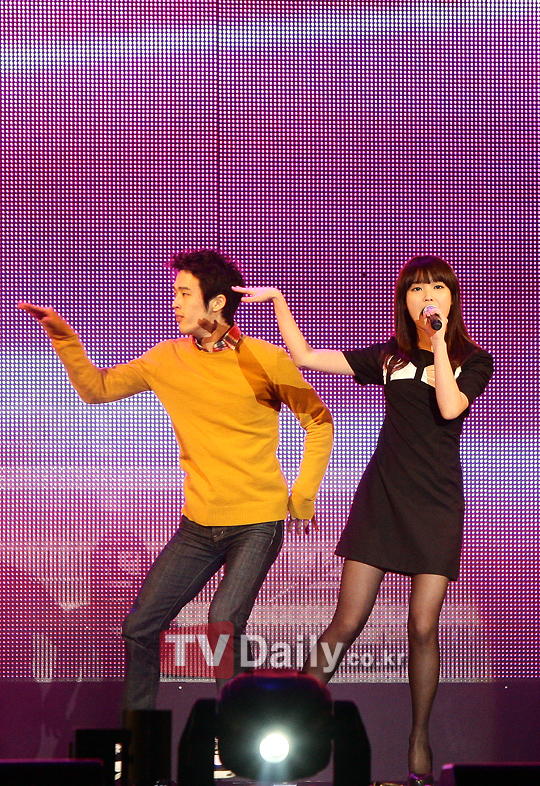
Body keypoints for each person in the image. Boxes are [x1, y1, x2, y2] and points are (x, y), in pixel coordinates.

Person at [18, 249, 333, 710]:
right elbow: (97, 390)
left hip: (257, 521)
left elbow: (319, 422)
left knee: (223, 623)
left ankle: (236, 733)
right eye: (175, 292)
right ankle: (138, 738)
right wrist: (64, 338)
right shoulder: (167, 358)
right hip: (198, 524)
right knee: (140, 626)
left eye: (185, 294)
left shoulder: (265, 358)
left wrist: (302, 498)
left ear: (217, 303)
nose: (175, 302)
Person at [233, 255, 493, 786]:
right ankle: (290, 721)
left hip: (436, 505)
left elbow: (449, 408)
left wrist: (439, 344)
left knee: (422, 625)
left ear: (451, 298)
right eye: (416, 290)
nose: (427, 297)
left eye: (437, 288)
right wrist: (278, 302)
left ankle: (418, 739)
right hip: (383, 497)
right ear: (404, 300)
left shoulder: (472, 359)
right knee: (346, 622)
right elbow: (306, 357)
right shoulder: (389, 357)